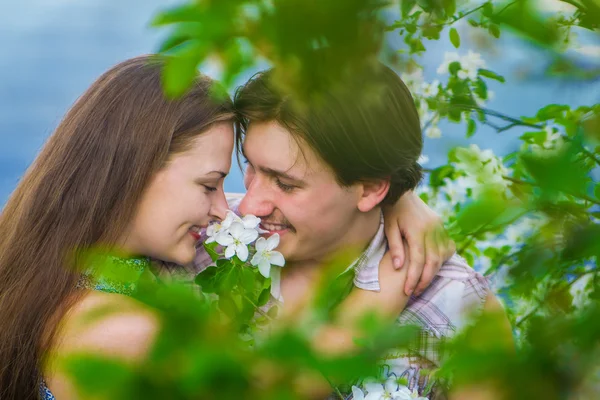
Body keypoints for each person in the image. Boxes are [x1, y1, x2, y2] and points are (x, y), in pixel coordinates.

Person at [0, 55, 451, 400]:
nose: (231, 210)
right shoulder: (116, 331)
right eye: (210, 185)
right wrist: (390, 282)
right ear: (135, 172)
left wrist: (393, 196)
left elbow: (321, 189)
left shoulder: (74, 263)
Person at [220, 64, 513, 399]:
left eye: (285, 184)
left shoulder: (458, 307)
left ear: (371, 188)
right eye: (250, 167)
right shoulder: (205, 234)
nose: (248, 205)